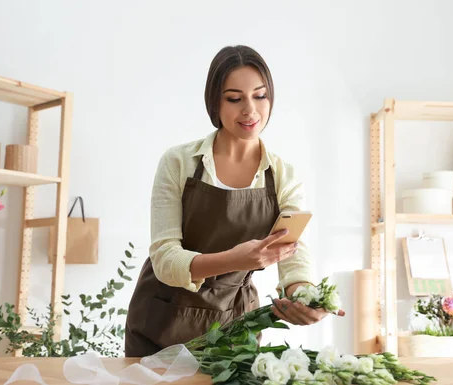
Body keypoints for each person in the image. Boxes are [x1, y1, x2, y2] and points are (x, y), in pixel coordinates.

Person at [124, 45, 341, 357]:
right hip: (161, 320)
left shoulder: (283, 175)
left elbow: (292, 253)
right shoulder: (179, 162)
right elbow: (165, 259)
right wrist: (235, 259)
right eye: (234, 98)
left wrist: (304, 297)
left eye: (260, 96)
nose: (250, 110)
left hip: (234, 325)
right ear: (215, 101)